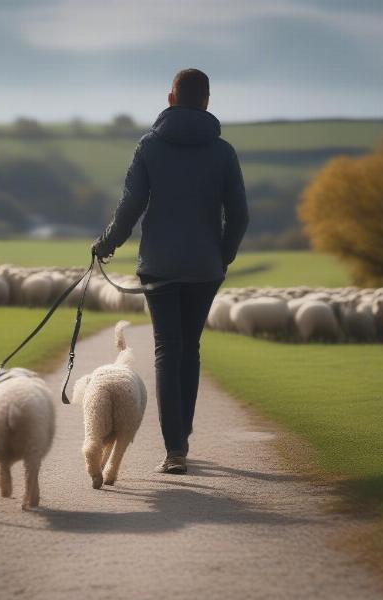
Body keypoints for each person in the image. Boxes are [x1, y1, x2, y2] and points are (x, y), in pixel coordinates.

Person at [91, 68, 249, 474]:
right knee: (189, 349)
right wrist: (223, 255)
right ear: (207, 101)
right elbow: (240, 215)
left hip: (159, 266)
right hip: (204, 267)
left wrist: (107, 244)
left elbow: (131, 207)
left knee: (167, 349)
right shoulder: (223, 152)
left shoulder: (149, 147)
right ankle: (183, 434)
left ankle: (175, 448)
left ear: (170, 98)